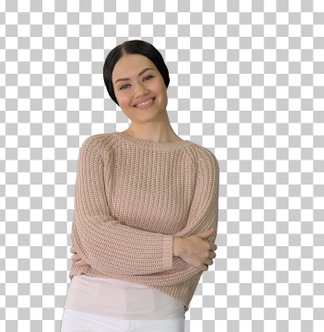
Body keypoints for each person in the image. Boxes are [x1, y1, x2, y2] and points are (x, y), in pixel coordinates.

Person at [61, 40, 220, 332]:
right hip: (88, 313)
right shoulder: (100, 149)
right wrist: (176, 246)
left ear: (164, 77)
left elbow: (195, 258)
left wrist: (109, 254)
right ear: (115, 96)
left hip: (160, 317)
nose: (140, 92)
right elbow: (95, 236)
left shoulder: (200, 162)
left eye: (147, 77)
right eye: (125, 86)